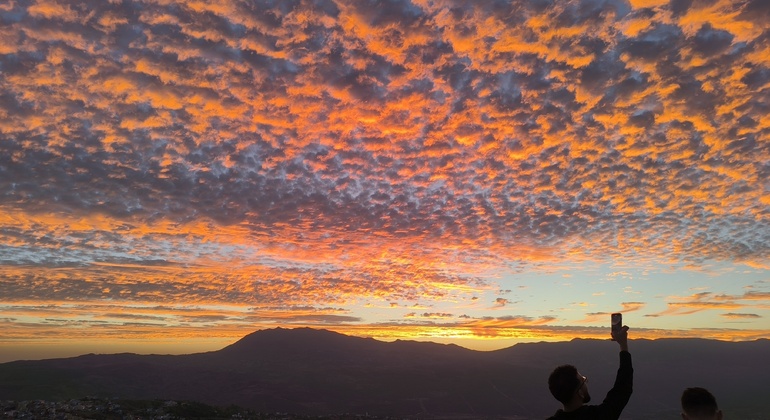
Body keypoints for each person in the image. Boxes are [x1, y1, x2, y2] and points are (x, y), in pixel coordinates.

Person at [546, 325, 632, 419]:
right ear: (580, 393)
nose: (586, 382)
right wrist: (623, 344)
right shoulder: (600, 416)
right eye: (583, 380)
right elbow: (623, 388)